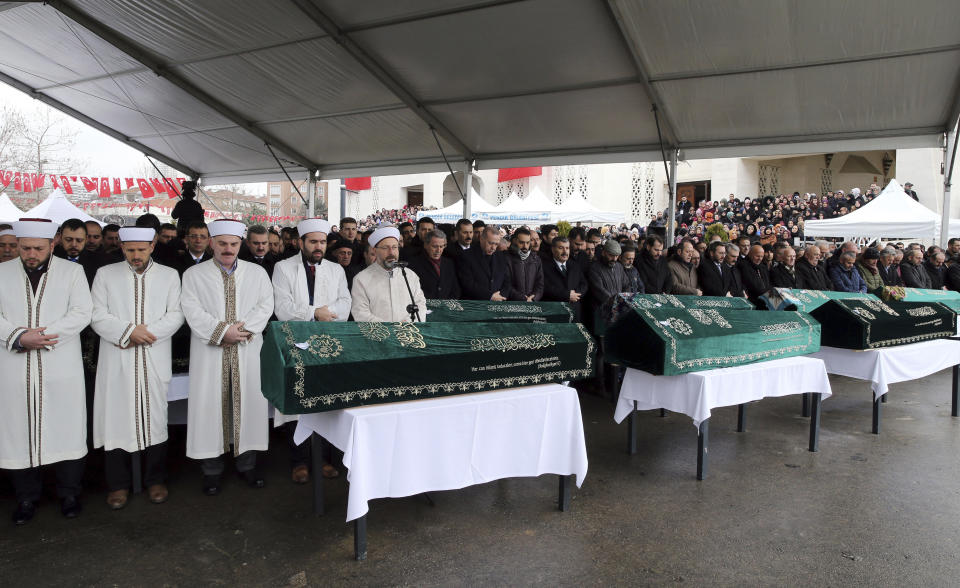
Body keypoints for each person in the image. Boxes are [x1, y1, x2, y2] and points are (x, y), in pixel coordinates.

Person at [0, 219, 93, 525]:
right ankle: (26, 497)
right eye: (24, 248)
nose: (30, 253)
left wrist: (42, 336)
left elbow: (81, 312)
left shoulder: (72, 272)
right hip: (14, 366)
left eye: (37, 248)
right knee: (18, 431)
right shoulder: (1, 272)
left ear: (52, 245)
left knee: (65, 428)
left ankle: (69, 493)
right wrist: (16, 336)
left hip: (60, 366)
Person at [90, 227, 183, 509]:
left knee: (154, 418)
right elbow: (95, 313)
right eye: (130, 250)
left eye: (141, 250)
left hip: (153, 355)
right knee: (116, 418)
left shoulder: (169, 275)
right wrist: (128, 331)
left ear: (153, 245)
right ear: (121, 247)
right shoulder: (106, 275)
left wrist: (146, 334)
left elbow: (177, 314)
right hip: (118, 356)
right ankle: (118, 484)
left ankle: (156, 479)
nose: (136, 255)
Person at [180, 219, 274, 495]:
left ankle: (247, 466)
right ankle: (211, 470)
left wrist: (240, 331)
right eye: (222, 243)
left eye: (233, 244)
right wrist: (222, 332)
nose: (228, 249)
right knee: (210, 406)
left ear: (240, 245)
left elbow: (266, 305)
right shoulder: (193, 275)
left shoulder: (256, 273)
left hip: (246, 348)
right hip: (211, 352)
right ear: (211, 243)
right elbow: (191, 309)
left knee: (248, 405)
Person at [271, 218, 350, 483]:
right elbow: (282, 307)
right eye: (313, 241)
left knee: (327, 403)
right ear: (301, 242)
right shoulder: (283, 268)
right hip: (295, 342)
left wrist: (327, 315)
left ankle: (325, 460)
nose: (319, 246)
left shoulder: (336, 269)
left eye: (323, 241)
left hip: (328, 343)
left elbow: (345, 303)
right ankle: (299, 462)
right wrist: (314, 313)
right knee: (298, 403)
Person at [351, 226, 427, 322]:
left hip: (407, 334)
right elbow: (360, 313)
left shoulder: (410, 276)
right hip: (378, 334)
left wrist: (406, 325)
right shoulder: (361, 279)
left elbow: (420, 306)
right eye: (385, 248)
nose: (391, 252)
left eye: (394, 247)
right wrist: (389, 329)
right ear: (375, 250)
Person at [457, 225, 511, 301]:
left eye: (496, 244)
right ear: (481, 239)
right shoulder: (466, 256)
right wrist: (490, 296)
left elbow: (507, 281)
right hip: (475, 305)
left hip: (497, 303)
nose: (493, 248)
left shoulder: (501, 256)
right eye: (490, 243)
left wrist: (501, 296)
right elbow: (467, 283)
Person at [541, 237, 588, 322]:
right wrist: (567, 295)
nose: (565, 251)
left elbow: (584, 284)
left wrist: (576, 295)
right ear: (552, 249)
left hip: (574, 312)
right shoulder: (544, 267)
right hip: (554, 312)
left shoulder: (575, 265)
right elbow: (545, 287)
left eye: (567, 248)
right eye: (561, 248)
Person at [586, 240, 628, 333]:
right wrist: (617, 304)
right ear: (604, 253)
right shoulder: (594, 268)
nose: (614, 258)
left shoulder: (619, 267)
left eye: (617, 256)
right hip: (601, 313)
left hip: (618, 312)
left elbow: (626, 285)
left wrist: (625, 300)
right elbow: (600, 292)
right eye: (611, 255)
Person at [409, 229, 461, 299]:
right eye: (434, 246)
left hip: (446, 307)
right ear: (426, 245)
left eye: (441, 246)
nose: (438, 250)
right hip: (425, 307)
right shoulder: (414, 264)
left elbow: (455, 289)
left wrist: (447, 305)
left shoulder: (449, 263)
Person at [52, 218, 99, 286]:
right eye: (68, 240)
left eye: (79, 240)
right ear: (60, 237)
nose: (74, 244)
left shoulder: (98, 262)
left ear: (86, 239)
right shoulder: (50, 258)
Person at [505, 227, 544, 301]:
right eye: (521, 242)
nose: (525, 246)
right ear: (515, 241)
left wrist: (534, 297)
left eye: (528, 242)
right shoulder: (506, 258)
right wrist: (523, 298)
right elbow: (506, 284)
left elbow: (540, 284)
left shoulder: (536, 259)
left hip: (532, 302)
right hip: (512, 303)